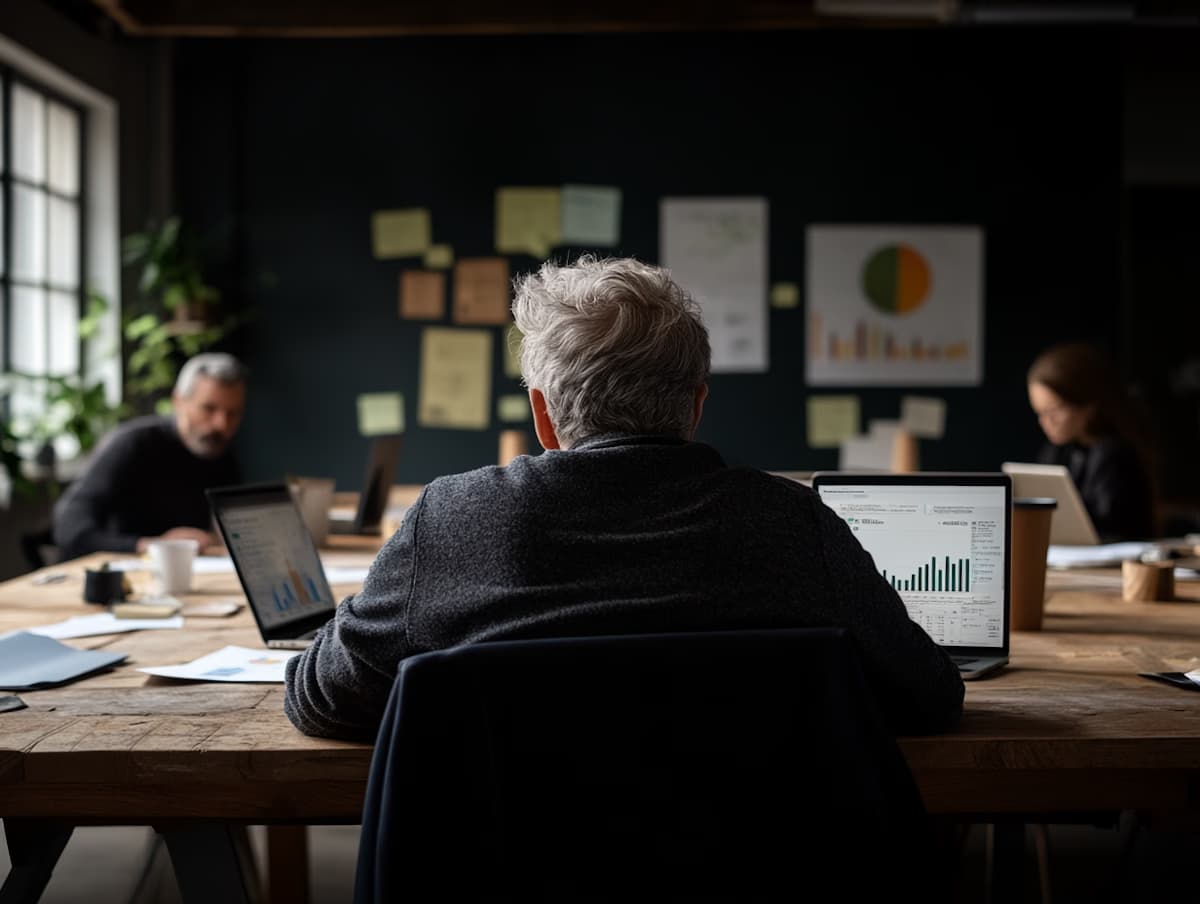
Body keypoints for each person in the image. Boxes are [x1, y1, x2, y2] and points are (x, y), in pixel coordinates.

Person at [284, 256, 964, 741]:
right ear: (696, 405)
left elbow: (324, 700)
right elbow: (929, 695)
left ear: (543, 416)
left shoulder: (455, 519)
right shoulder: (792, 523)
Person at [53, 353, 247, 560]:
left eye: (233, 413)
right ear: (178, 401)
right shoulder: (132, 444)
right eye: (209, 409)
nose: (221, 425)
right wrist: (151, 545)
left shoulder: (221, 453)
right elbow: (68, 528)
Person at [1027, 341, 1156, 541]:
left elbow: (1111, 526)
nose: (1046, 422)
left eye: (1054, 411)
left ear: (1088, 406)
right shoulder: (1057, 451)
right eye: (1040, 413)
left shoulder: (1115, 456)